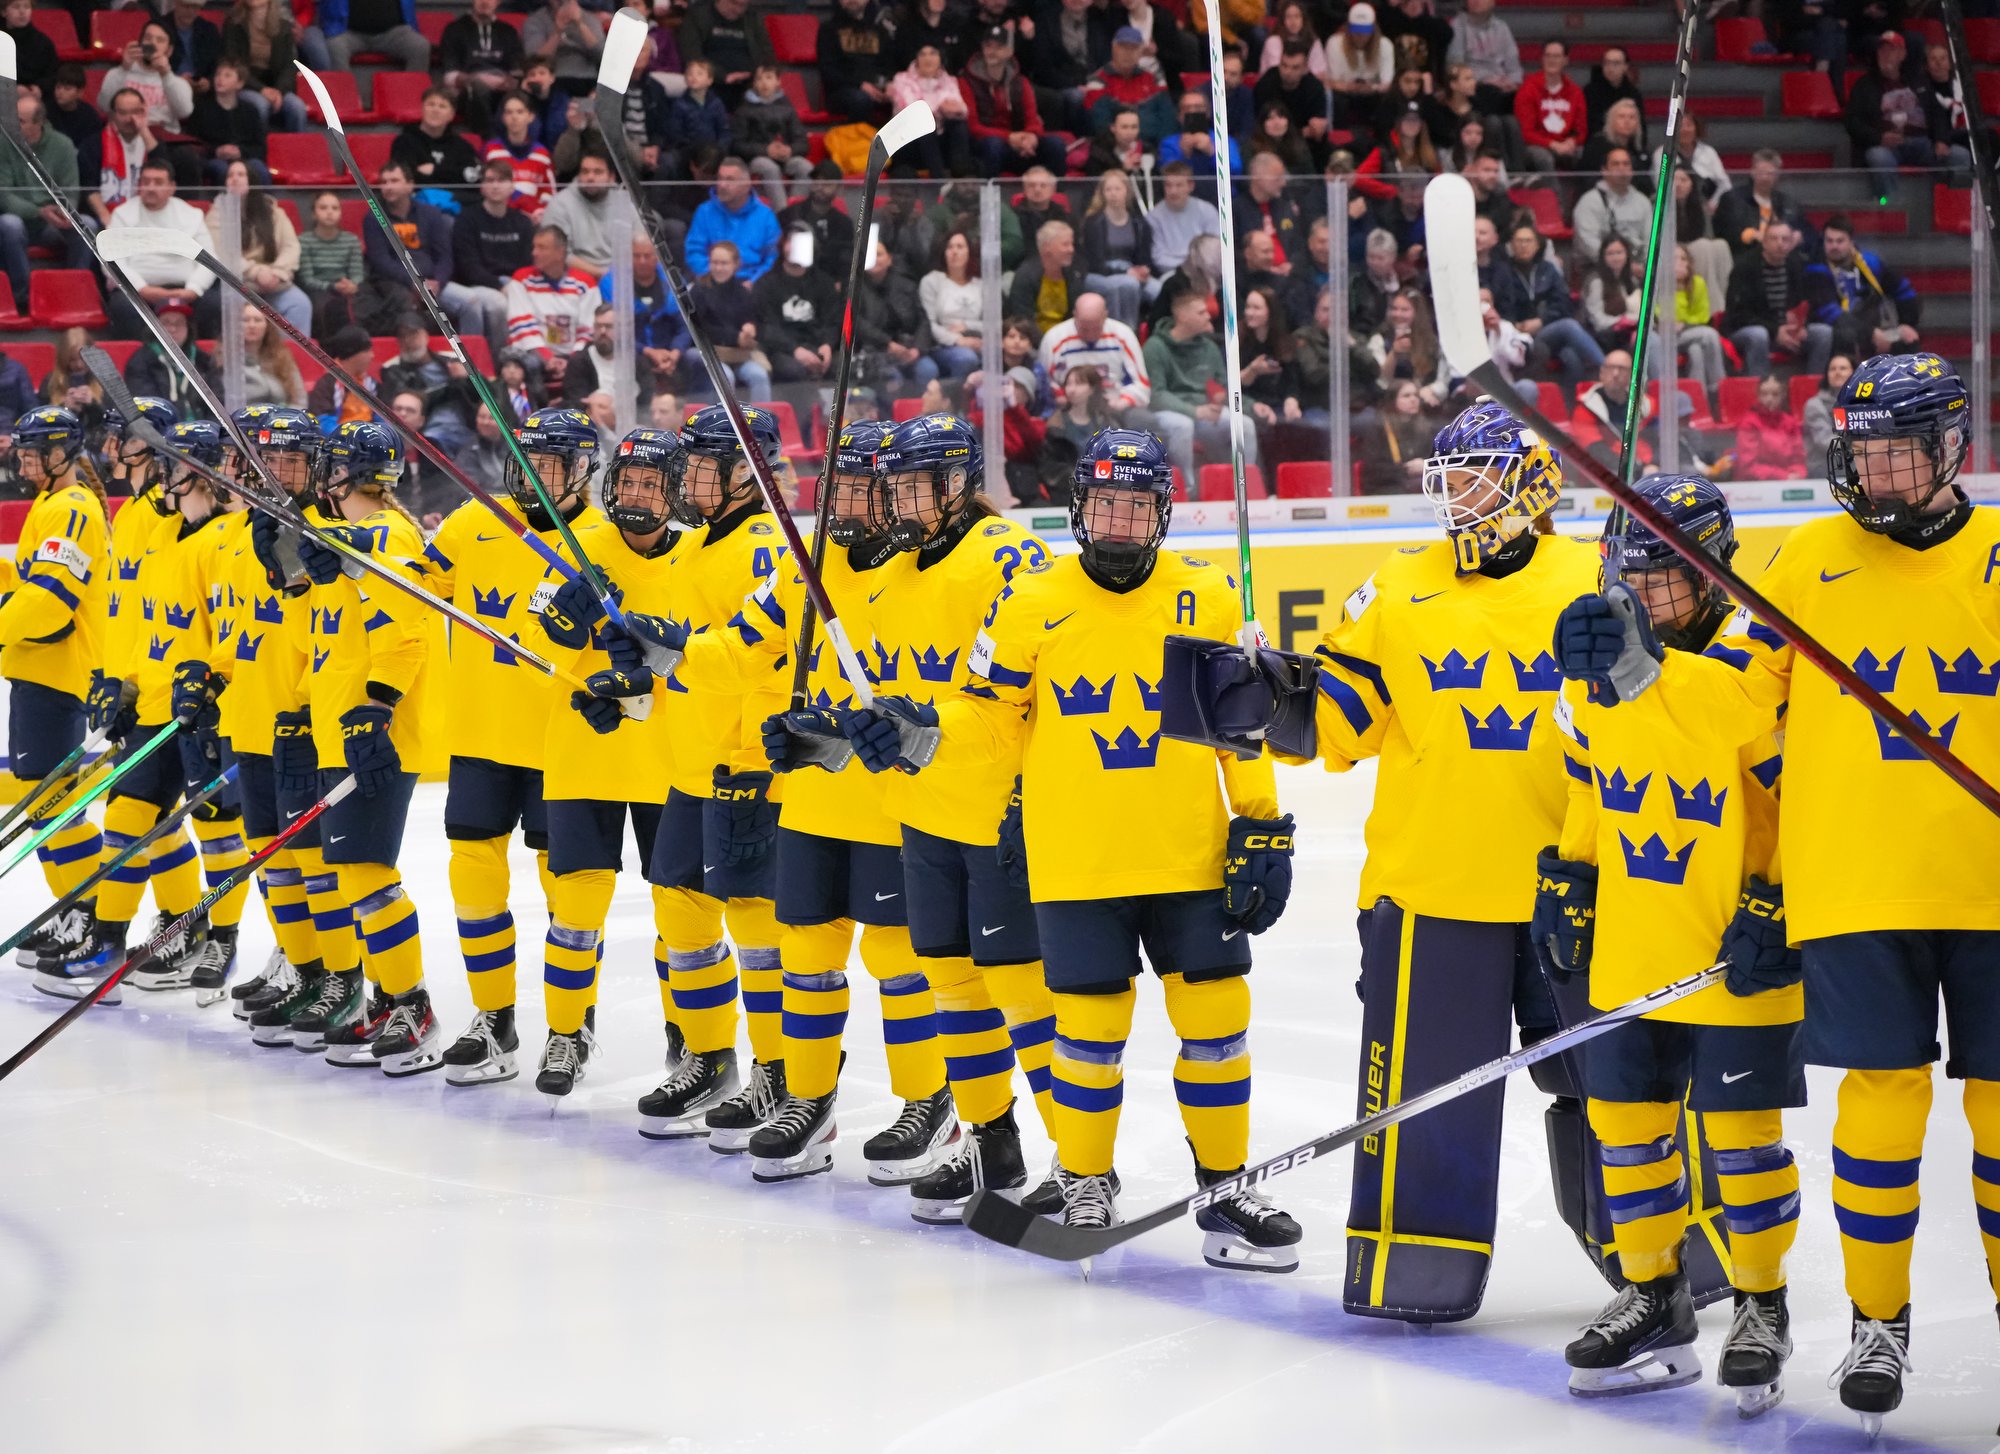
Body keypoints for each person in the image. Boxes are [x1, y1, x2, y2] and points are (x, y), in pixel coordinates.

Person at [1561, 352, 2000, 1433]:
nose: (1874, 473)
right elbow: (1739, 706)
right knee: (1880, 1109)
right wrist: (1638, 667)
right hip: (1854, 890)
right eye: (1861, 452)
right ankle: (1877, 1322)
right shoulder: (1805, 560)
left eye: (1896, 453)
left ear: (1949, 448)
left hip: (1989, 888)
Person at [842, 425, 1304, 1267]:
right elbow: (989, 720)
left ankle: (1225, 1186)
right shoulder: (1029, 602)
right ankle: (1086, 1180)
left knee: (1217, 1023)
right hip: (1075, 863)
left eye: (1137, 506)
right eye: (1106, 504)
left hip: (1190, 856)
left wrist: (1262, 823)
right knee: (1088, 1035)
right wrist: (921, 725)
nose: (1121, 522)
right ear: (1080, 507)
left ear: (1162, 512)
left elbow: (1240, 729)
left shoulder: (1208, 593)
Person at [1299, 398, 1608, 1319]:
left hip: (1579, 883)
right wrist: (1262, 697)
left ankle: (1669, 1253)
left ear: (1532, 486)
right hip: (1431, 888)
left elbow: (1665, 717)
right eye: (1450, 481)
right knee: (1427, 1097)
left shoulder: (1596, 576)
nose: (1456, 499)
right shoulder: (1398, 586)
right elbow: (1338, 725)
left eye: (1477, 480)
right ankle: (1415, 1272)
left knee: (1619, 1086)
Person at [1541, 475, 1800, 1411]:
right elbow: (1584, 780)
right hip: (1635, 939)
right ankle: (1653, 1294)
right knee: (1625, 1129)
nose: (1641, 594)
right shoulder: (1595, 666)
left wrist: (1779, 899)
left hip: (1735, 943)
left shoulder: (1753, 660)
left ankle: (1763, 1304)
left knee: (1742, 1139)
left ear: (1713, 573)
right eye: (1628, 574)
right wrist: (1569, 879)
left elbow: (1793, 788)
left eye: (1662, 576)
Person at [760, 415, 1062, 1209]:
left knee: (1025, 997)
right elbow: (886, 708)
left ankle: (1081, 1161)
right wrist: (823, 740)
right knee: (954, 988)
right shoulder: (890, 571)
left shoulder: (1010, 558)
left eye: (914, 485)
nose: (896, 501)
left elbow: (1014, 699)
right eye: (890, 486)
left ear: (958, 484)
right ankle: (990, 1144)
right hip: (921, 814)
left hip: (997, 813)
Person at [542, 407, 790, 1121]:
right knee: (682, 916)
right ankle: (709, 1061)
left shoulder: (766, 548)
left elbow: (766, 665)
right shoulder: (700, 544)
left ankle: (779, 1073)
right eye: (693, 464)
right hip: (688, 761)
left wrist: (752, 763)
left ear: (747, 473)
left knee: (756, 929)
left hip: (741, 767)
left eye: (706, 465)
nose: (691, 478)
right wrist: (628, 694)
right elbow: (685, 661)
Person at [279, 422, 439, 1074]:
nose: (322, 475)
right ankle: (386, 996)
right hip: (332, 728)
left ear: (353, 474)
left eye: (332, 466)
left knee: (368, 873)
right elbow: (313, 635)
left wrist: (377, 707)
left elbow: (408, 630)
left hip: (374, 733)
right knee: (350, 873)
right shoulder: (339, 535)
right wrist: (294, 580)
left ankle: (413, 1006)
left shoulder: (389, 535)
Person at [208, 407, 331, 1025]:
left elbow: (335, 630)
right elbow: (237, 628)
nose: (277, 471)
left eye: (290, 459)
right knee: (272, 860)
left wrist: (307, 701)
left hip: (298, 722)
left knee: (315, 865)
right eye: (267, 459)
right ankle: (299, 962)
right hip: (248, 716)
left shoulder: (325, 532)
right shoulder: (239, 532)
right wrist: (210, 676)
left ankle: (333, 973)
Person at [0, 405, 112, 988]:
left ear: (61, 453)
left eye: (32, 454)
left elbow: (50, 598)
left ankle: (91, 916)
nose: (23, 464)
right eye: (20, 454)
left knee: (56, 806)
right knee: (44, 803)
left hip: (59, 673)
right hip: (37, 670)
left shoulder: (72, 507)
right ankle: (74, 909)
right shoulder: (52, 503)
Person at [0, 93, 94, 317]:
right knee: (9, 224)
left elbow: (70, 190)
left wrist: (64, 211)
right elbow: (4, 194)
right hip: (19, 218)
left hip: (51, 223)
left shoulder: (63, 145)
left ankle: (73, 293)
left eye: (20, 121)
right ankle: (23, 297)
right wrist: (38, 211)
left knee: (87, 225)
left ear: (39, 123)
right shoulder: (3, 143)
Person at [1846, 31, 1963, 202]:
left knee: (1960, 155)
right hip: (1886, 146)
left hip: (1922, 143)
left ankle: (1953, 206)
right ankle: (1888, 205)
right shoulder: (1864, 85)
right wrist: (1879, 138)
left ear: (1902, 54)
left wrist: (1941, 140)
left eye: (1891, 50)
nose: (1886, 55)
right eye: (1882, 50)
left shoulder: (1918, 81)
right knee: (1879, 157)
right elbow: (1852, 122)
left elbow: (1937, 113)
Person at [104, 161, 215, 342]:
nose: (150, 187)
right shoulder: (122, 214)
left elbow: (209, 258)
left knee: (214, 303)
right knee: (123, 306)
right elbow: (111, 260)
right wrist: (142, 288)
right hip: (137, 289)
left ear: (172, 187)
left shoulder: (191, 215)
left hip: (185, 289)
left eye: (158, 182)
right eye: (145, 182)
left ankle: (202, 356)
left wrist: (194, 289)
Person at [207, 160, 311, 337]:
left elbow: (291, 247)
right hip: (239, 282)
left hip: (274, 280)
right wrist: (256, 273)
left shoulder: (274, 212)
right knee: (226, 303)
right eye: (230, 175)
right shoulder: (216, 213)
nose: (234, 179)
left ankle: (285, 354)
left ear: (252, 180)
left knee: (300, 304)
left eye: (241, 175)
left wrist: (276, 273)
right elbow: (222, 253)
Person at [1724, 220, 1832, 381]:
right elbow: (1737, 314)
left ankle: (1813, 387)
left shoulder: (1796, 264)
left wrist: (1802, 326)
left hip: (1787, 330)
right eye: (1774, 239)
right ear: (1764, 242)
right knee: (1758, 335)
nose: (1780, 244)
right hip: (1749, 329)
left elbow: (1809, 303)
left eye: (1785, 239)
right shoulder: (1744, 267)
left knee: (1823, 333)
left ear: (1791, 243)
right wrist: (1775, 331)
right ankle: (1761, 388)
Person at [1806, 215, 1923, 364]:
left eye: (1840, 241)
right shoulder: (1816, 270)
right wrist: (1872, 334)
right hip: (1842, 330)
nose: (1834, 246)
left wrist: (1906, 324)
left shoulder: (1870, 263)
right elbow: (1831, 314)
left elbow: (1904, 291)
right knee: (1845, 335)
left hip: (1875, 324)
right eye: (1829, 241)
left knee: (1908, 339)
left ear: (1851, 242)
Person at [452, 161, 536, 356]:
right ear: (482, 186)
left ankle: (532, 354)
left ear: (512, 187)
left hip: (514, 284)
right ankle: (500, 357)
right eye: (490, 180)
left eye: (501, 180)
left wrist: (514, 285)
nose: (495, 186)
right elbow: (468, 267)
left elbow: (528, 264)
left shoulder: (523, 223)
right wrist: (499, 285)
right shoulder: (467, 219)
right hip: (478, 285)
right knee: (499, 304)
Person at [960, 24, 1069, 176]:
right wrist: (1009, 137)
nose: (992, 51)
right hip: (987, 143)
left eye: (999, 47)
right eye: (988, 46)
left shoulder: (1021, 82)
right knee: (993, 145)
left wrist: (1030, 137)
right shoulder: (966, 82)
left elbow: (1032, 119)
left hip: (1019, 142)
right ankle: (989, 190)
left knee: (1055, 145)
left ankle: (1055, 189)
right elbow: (973, 127)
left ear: (1009, 51)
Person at [505, 224, 600, 394]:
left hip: (574, 356)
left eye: (542, 248)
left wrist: (571, 360)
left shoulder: (585, 283)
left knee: (591, 361)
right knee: (528, 363)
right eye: (534, 247)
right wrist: (547, 357)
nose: (534, 253)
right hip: (533, 354)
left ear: (560, 252)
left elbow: (588, 329)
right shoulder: (522, 279)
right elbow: (522, 326)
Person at [751, 221, 839, 387]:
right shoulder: (765, 285)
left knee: (844, 366)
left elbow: (833, 321)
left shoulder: (824, 283)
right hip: (784, 350)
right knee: (792, 370)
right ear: (783, 245)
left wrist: (827, 345)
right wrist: (795, 350)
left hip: (818, 345)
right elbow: (767, 328)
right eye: (792, 241)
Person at [539, 149, 642, 281]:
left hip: (622, 278)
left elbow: (642, 245)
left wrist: (617, 277)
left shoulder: (625, 203)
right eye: (585, 171)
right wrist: (603, 275)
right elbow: (556, 253)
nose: (590, 177)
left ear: (611, 177)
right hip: (574, 280)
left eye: (598, 172)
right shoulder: (560, 204)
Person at [731, 64, 814, 214]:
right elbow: (737, 145)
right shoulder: (744, 110)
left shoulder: (788, 109)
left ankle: (796, 212)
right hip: (756, 159)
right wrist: (765, 150)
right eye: (759, 79)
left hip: (785, 157)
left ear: (778, 81)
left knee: (806, 167)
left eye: (768, 78)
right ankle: (782, 215)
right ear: (754, 83)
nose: (764, 83)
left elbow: (803, 142)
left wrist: (790, 150)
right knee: (770, 168)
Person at [1079, 170, 1154, 332]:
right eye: (1108, 189)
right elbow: (1094, 263)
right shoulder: (1093, 223)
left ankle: (1151, 334)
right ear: (1103, 193)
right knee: (1128, 285)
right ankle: (1126, 331)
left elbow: (1144, 255)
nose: (1113, 194)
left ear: (1127, 191)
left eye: (1117, 189)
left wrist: (1144, 268)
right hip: (1100, 273)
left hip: (1131, 270)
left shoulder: (1138, 222)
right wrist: (1126, 272)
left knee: (1157, 290)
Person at [685, 157, 781, 283]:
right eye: (720, 178)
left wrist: (754, 283)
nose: (722, 185)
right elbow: (694, 252)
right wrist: (713, 277)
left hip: (751, 286)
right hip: (713, 282)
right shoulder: (704, 212)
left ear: (746, 185)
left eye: (729, 180)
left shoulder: (766, 216)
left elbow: (772, 259)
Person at [438, 0, 526, 134]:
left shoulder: (508, 31)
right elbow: (449, 75)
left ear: (498, 2)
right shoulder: (454, 29)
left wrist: (507, 81)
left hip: (502, 87)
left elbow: (517, 69)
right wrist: (476, 79)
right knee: (479, 87)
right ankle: (488, 138)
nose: (485, 2)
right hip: (468, 92)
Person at [889, 43, 974, 177]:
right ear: (916, 59)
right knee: (925, 127)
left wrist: (948, 110)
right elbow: (912, 112)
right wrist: (941, 108)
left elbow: (961, 110)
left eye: (933, 53)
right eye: (923, 54)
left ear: (940, 58)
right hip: (910, 140)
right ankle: (938, 180)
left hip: (939, 138)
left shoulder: (949, 80)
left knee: (959, 125)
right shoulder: (902, 79)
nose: (927, 58)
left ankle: (960, 175)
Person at [221, 0, 306, 133]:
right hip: (245, 84)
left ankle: (297, 145)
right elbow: (234, 64)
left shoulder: (284, 27)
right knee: (260, 105)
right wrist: (261, 89)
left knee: (297, 107)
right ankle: (258, 145)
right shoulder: (233, 24)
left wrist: (279, 91)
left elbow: (290, 65)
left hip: (276, 86)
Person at [1712, 149, 1808, 264]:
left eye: (1770, 173)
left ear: (1778, 175)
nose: (1765, 178)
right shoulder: (1732, 199)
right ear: (1752, 172)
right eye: (1761, 172)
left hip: (1781, 256)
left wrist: (1799, 236)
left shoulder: (1788, 202)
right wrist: (1750, 235)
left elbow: (1805, 229)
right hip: (1744, 255)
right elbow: (1724, 231)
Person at [297, 188, 367, 340]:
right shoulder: (304, 240)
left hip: (347, 288)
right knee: (326, 307)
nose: (329, 212)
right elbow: (307, 279)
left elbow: (357, 274)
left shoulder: (351, 240)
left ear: (341, 213)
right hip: (319, 290)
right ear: (314, 213)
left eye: (335, 208)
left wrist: (352, 285)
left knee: (366, 305)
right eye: (323, 208)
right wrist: (333, 286)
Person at [390, 87, 483, 199]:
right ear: (422, 109)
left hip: (458, 202)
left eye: (442, 106)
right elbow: (407, 179)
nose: (435, 110)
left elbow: (474, 178)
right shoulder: (404, 143)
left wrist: (436, 171)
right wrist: (455, 174)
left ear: (452, 115)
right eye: (431, 104)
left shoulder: (462, 146)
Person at [187, 58, 268, 185]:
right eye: (218, 74)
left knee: (260, 170)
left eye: (227, 75)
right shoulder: (201, 108)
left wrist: (240, 152)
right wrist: (216, 151)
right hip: (213, 158)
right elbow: (194, 142)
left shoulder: (250, 110)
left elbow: (260, 147)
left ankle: (260, 198)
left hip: (244, 158)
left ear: (239, 83)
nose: (220, 79)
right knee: (222, 170)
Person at [919, 230, 985, 383]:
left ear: (969, 252)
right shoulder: (932, 281)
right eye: (950, 247)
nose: (954, 252)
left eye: (960, 247)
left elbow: (993, 324)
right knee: (966, 358)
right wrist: (957, 340)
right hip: (943, 344)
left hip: (978, 340)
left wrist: (967, 325)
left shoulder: (981, 285)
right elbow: (928, 324)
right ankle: (957, 397)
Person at [1368, 287, 1448, 414]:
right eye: (1394, 309)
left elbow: (1442, 381)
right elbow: (1382, 381)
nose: (1398, 314)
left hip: (1423, 401)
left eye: (1404, 310)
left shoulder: (1432, 343)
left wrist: (1428, 390)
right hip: (1389, 403)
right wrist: (1394, 353)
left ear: (1417, 313)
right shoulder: (1379, 339)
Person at [1571, 147, 1650, 273]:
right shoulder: (1589, 201)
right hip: (1598, 268)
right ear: (1604, 170)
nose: (1622, 168)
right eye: (1615, 164)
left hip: (1638, 267)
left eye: (1626, 164)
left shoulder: (1643, 201)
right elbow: (1588, 243)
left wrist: (1647, 266)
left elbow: (1650, 238)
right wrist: (1621, 265)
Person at [1665, 243, 1726, 403]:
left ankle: (1699, 401)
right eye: (1674, 259)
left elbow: (1702, 315)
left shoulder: (1697, 283)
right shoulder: (1658, 284)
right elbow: (1662, 315)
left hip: (1691, 332)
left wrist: (1684, 324)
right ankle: (1719, 389)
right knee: (1711, 335)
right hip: (1665, 335)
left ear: (1689, 263)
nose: (1679, 263)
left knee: (1696, 351)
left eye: (1683, 259)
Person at [1007, 220, 1090, 338]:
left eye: (1071, 244)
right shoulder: (1025, 277)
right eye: (1065, 245)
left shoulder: (1074, 274)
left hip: (1067, 337)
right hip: (1034, 339)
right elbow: (1023, 320)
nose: (1071, 250)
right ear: (1047, 248)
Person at [303, 0, 429, 75]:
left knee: (419, 46)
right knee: (334, 46)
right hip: (349, 33)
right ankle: (343, 98)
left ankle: (412, 98)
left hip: (392, 33)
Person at [485, 91, 558, 217]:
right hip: (499, 217)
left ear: (530, 116)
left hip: (534, 219)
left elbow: (549, 193)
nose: (514, 117)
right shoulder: (491, 151)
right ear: (503, 118)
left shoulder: (542, 154)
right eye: (509, 112)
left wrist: (539, 212)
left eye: (520, 112)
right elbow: (487, 189)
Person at [1253, 38, 1331, 155]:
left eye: (1295, 67)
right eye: (1284, 65)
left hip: (1303, 145)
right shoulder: (1266, 84)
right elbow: (1260, 125)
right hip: (1270, 142)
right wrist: (1301, 132)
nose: (1288, 72)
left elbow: (1317, 129)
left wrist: (1315, 129)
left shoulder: (1315, 88)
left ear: (1305, 69)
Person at [819, 0, 893, 123]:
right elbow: (828, 70)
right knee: (861, 100)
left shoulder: (880, 30)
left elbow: (889, 64)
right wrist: (860, 85)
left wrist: (890, 84)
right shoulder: (828, 29)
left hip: (877, 87)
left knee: (905, 98)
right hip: (842, 91)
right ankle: (860, 135)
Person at [1325, 4, 1394, 132]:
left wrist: (1372, 88)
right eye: (1356, 30)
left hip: (1372, 92)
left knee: (1387, 99)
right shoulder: (1334, 43)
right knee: (1337, 100)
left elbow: (1387, 84)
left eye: (1365, 31)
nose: (1360, 35)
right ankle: (1339, 135)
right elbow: (1331, 82)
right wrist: (1349, 87)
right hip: (1345, 92)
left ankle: (1382, 136)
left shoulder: (1385, 45)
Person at [1357, 378, 1432, 492]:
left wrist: (1426, 465)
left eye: (1416, 395)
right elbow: (1373, 470)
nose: (1413, 399)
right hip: (1386, 487)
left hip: (1419, 483)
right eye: (1406, 396)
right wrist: (1406, 470)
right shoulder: (1378, 428)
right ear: (1393, 400)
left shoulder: (1426, 428)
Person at [1446, 0, 1520, 116]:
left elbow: (1514, 67)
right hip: (1475, 87)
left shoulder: (1501, 27)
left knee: (1514, 110)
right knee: (1491, 101)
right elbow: (1456, 66)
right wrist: (1486, 80)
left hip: (1502, 89)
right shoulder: (1458, 25)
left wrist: (1512, 83)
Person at [1148, 161, 1221, 278]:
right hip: (1171, 274)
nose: (1173, 191)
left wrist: (1198, 267)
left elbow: (1215, 247)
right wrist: (1184, 269)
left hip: (1205, 272)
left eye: (1179, 185)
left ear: (1191, 186)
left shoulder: (1207, 210)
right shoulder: (1154, 216)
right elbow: (1158, 256)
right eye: (1168, 185)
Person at [1732, 373, 1806, 480]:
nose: (1769, 399)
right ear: (1758, 395)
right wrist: (1784, 476)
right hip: (1755, 484)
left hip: (1789, 480)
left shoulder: (1791, 422)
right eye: (1764, 394)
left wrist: (1797, 473)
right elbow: (1748, 466)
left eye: (1775, 394)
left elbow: (1798, 458)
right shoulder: (1748, 423)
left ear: (1783, 395)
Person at [1582, 234, 1643, 354]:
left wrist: (1631, 321)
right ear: (1603, 256)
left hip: (1627, 330)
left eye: (1619, 252)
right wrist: (1620, 321)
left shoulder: (1631, 280)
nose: (1615, 258)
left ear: (1627, 254)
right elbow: (1597, 321)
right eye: (1610, 254)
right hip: (1603, 336)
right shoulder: (1596, 282)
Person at [522, 0, 603, 88]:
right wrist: (558, 32)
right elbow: (535, 61)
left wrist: (581, 24)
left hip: (588, 79)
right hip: (553, 80)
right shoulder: (535, 21)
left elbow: (602, 56)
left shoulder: (590, 19)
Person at [240, 306, 305, 407]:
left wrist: (289, 415)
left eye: (257, 320)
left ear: (267, 325)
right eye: (245, 320)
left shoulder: (282, 356)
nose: (252, 325)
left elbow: (299, 399)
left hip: (282, 415)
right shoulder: (224, 359)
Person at [1801, 352, 1854, 465]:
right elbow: (1827, 442)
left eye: (1843, 368)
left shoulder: (1863, 403)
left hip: (1856, 462)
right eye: (1832, 369)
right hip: (1825, 465)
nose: (1837, 372)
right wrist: (1860, 447)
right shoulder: (1814, 405)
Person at [1581, 97, 1649, 175]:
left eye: (1632, 117)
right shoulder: (1597, 146)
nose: (1627, 121)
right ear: (1611, 121)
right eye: (1621, 117)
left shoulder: (1639, 150)